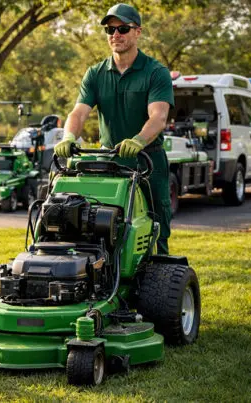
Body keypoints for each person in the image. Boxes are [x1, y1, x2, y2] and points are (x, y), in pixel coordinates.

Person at [54, 3, 174, 254]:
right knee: (101, 221)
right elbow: (79, 112)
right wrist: (68, 136)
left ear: (137, 32)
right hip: (108, 160)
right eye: (110, 30)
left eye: (123, 28)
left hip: (147, 159)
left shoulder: (156, 72)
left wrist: (139, 140)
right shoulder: (95, 73)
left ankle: (160, 276)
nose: (115, 35)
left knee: (156, 222)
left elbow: (159, 116)